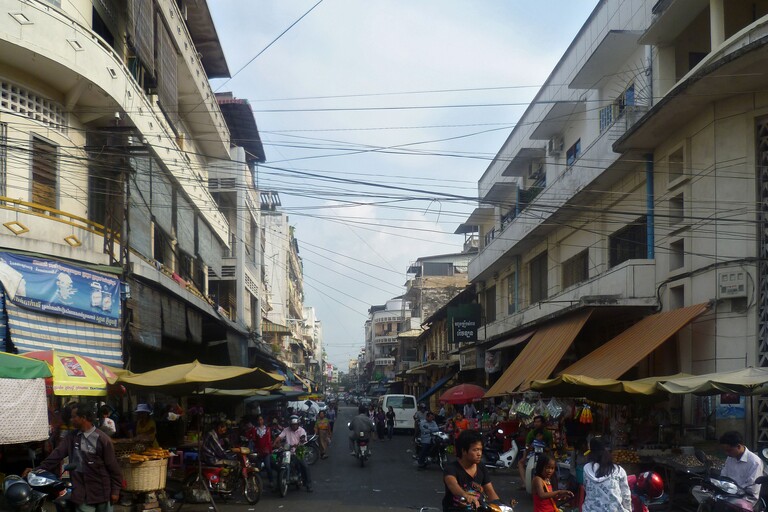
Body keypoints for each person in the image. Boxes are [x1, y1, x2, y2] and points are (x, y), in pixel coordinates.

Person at [33, 402, 122, 512]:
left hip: (102, 492)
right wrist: (36, 470)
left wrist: (115, 491)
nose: (71, 419)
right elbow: (56, 456)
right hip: (81, 494)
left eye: (74, 416)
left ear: (83, 418)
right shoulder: (71, 437)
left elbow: (113, 467)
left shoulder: (102, 439)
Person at [443, 430, 500, 511]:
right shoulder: (451, 469)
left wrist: (499, 505)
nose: (479, 453)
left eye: (480, 449)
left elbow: (490, 492)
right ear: (463, 451)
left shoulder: (481, 467)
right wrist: (465, 495)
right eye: (475, 450)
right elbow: (453, 486)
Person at [582, 438, 631, 512]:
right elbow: (626, 495)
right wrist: (628, 510)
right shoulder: (618, 470)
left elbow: (586, 488)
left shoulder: (586, 468)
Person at [720, 430, 764, 498]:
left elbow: (752, 489)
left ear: (738, 446)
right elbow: (723, 476)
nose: (727, 454)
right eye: (725, 451)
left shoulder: (754, 462)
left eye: (729, 450)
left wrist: (732, 490)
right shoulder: (730, 458)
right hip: (728, 493)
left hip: (746, 498)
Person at [274, 416, 313, 492]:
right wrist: (275, 442)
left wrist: (301, 440)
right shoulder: (286, 430)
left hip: (298, 451)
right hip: (288, 451)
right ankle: (279, 485)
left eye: (295, 424)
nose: (294, 426)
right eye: (292, 424)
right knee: (281, 466)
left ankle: (309, 485)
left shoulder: (301, 430)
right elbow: (280, 436)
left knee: (305, 466)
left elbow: (303, 437)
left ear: (298, 424)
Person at [518, 415, 553, 488]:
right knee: (520, 463)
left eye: (538, 422)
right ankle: (525, 483)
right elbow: (526, 446)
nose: (536, 424)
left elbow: (550, 447)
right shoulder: (531, 434)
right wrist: (526, 454)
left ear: (543, 423)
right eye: (535, 422)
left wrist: (547, 450)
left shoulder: (548, 434)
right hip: (532, 454)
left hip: (544, 455)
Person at [250, 415, 273, 487]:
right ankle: (259, 483)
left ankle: (271, 481)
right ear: (257, 421)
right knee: (258, 468)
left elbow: (269, 441)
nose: (260, 421)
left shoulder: (268, 429)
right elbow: (254, 439)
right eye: (258, 420)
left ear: (263, 420)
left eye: (261, 419)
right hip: (258, 451)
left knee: (268, 466)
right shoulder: (254, 429)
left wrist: (270, 450)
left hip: (266, 451)